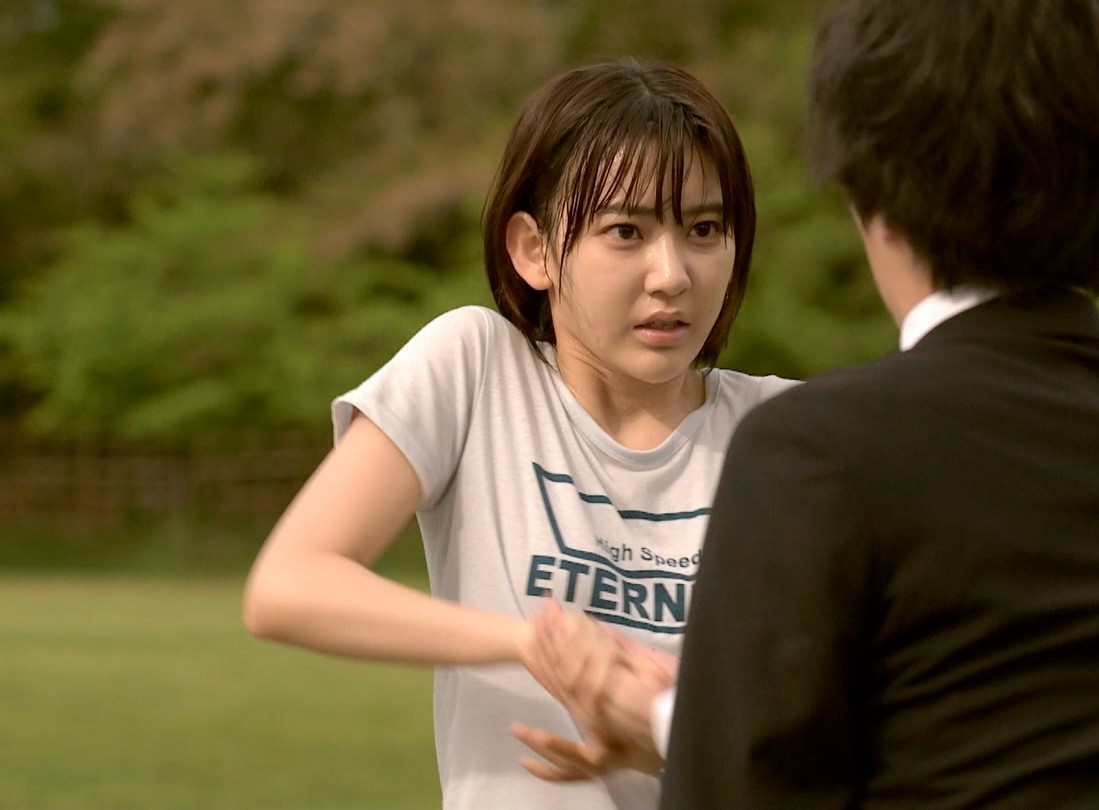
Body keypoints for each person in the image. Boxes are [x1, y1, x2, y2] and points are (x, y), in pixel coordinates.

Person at [516, 1, 1099, 807]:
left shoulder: (819, 452)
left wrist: (681, 723)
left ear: (866, 186)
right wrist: (684, 721)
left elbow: (759, 788)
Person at [241, 58, 796, 810]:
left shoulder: (786, 432)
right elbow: (288, 586)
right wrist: (534, 645)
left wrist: (671, 727)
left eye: (704, 229)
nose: (671, 275)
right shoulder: (475, 368)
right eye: (625, 231)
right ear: (533, 250)